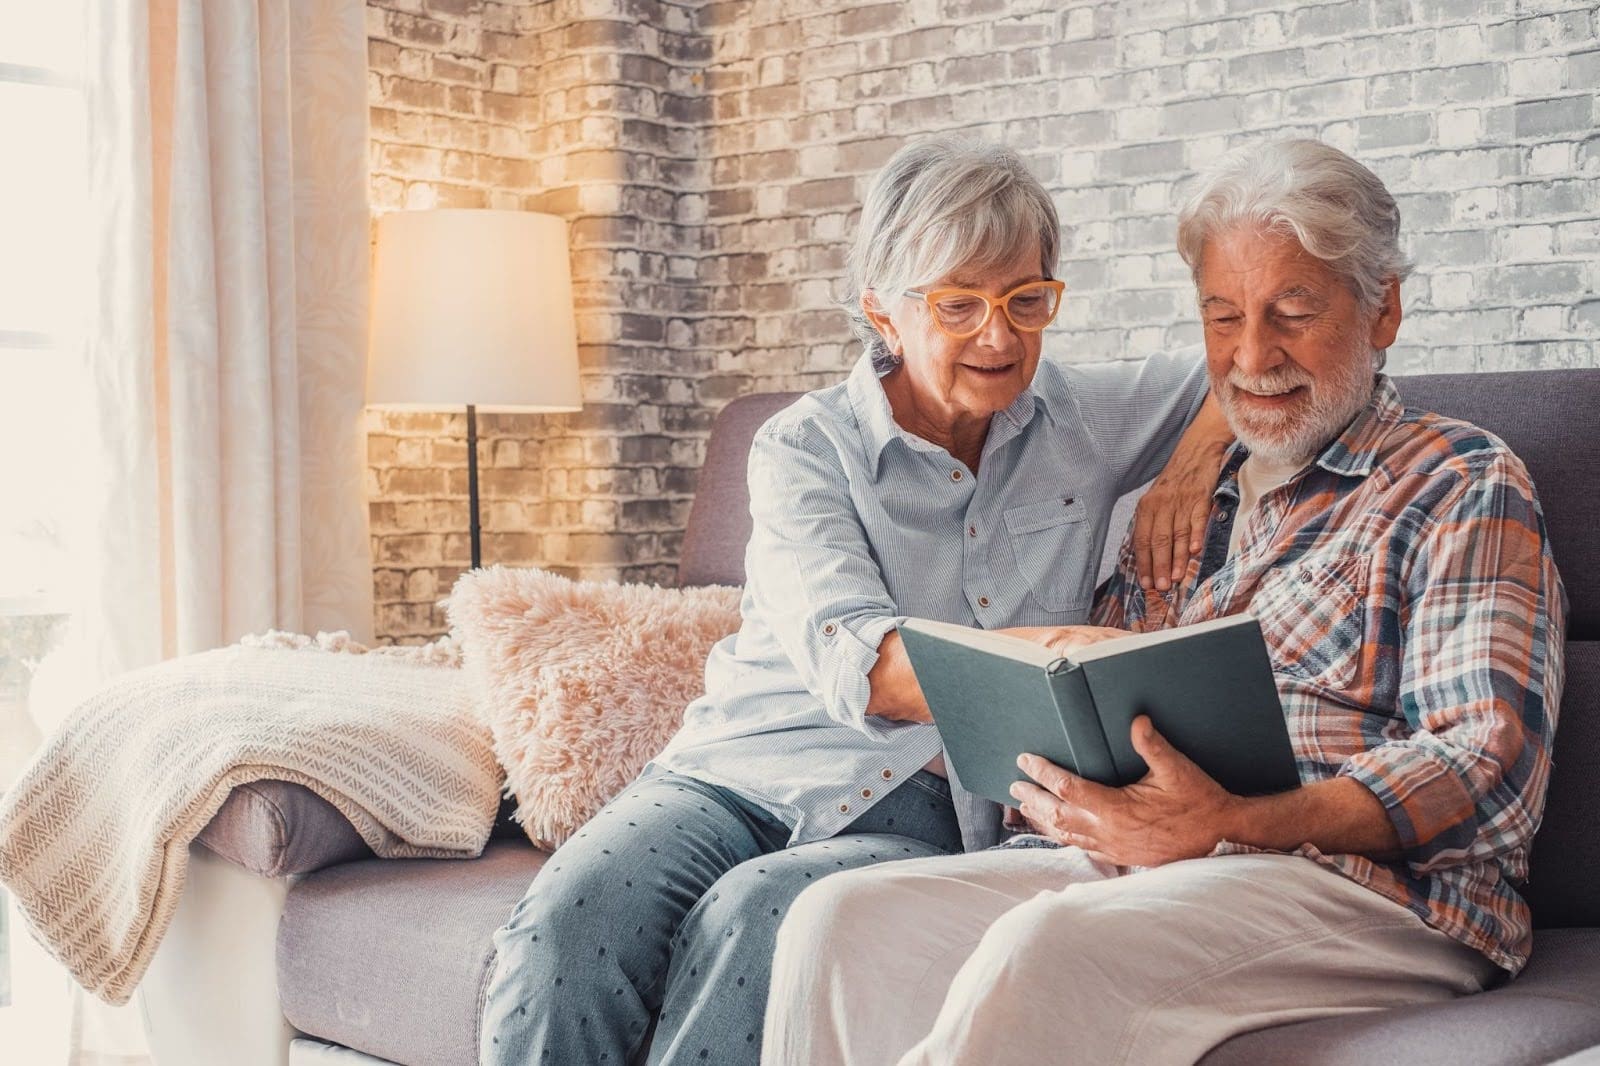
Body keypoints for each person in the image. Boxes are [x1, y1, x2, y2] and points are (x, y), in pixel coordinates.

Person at [762, 139, 1568, 1066]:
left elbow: (1486, 776)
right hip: (1152, 862)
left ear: (1383, 309)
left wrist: (1230, 819)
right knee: (838, 922)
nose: (1254, 356)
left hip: (1371, 894)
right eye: (1223, 317)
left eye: (1294, 313)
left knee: (1051, 946)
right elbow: (1098, 712)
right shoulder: (1181, 509)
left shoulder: (1459, 480)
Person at [477, 136, 1236, 1066]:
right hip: (739, 770)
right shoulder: (803, 450)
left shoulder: (1083, 418)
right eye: (959, 304)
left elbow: (1247, 357)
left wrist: (1189, 468)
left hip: (923, 805)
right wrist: (1062, 653)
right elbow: (866, 667)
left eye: (1026, 300)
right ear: (883, 309)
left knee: (760, 918)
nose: (999, 337)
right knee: (569, 921)